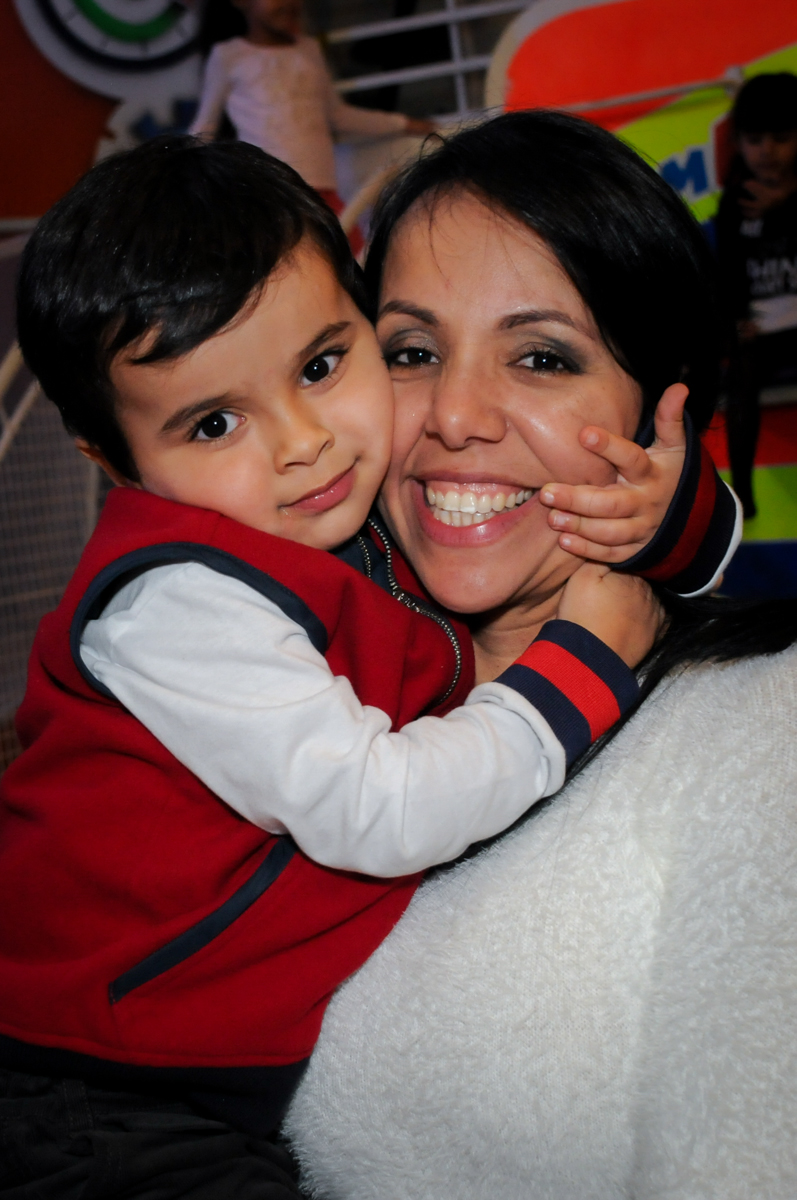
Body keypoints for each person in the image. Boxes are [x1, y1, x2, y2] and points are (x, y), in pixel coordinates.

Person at [0, 134, 732, 1198]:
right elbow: (377, 807)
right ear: (114, 463)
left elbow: (663, 542)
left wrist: (661, 520)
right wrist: (576, 668)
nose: (303, 442)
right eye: (213, 421)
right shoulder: (182, 602)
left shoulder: (320, 514)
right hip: (86, 1096)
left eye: (321, 365)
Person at [284, 112, 797, 1198]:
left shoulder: (763, 743)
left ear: (666, 417)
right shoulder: (295, 713)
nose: (456, 415)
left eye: (540, 356)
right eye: (410, 352)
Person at [189, 0, 435, 250]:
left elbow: (338, 116)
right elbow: (205, 126)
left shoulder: (309, 49)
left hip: (323, 196)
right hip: (269, 199)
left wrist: (404, 124)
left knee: (354, 264)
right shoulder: (228, 56)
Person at [716, 72, 797, 518]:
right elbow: (728, 272)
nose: (766, 151)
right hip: (763, 331)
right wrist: (735, 319)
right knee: (739, 374)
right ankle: (741, 491)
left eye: (781, 138)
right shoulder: (735, 200)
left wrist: (786, 204)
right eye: (754, 139)